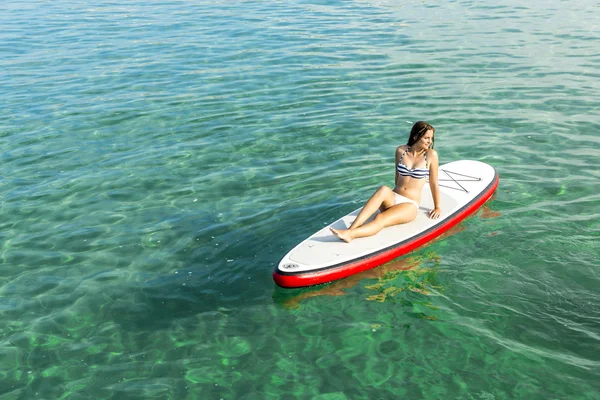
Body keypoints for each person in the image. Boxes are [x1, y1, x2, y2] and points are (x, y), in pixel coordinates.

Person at [330, 121, 441, 243]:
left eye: (431, 138)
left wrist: (437, 207)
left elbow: (433, 183)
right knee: (383, 188)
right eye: (426, 138)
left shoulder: (431, 155)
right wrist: (391, 197)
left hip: (409, 205)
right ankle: (352, 227)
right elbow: (397, 177)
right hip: (394, 197)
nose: (430, 141)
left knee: (379, 217)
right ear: (416, 136)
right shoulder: (401, 151)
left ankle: (351, 234)